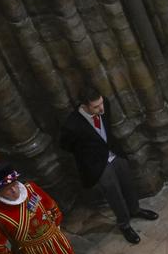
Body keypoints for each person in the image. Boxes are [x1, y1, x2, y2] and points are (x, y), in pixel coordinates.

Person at [59, 90, 159, 245]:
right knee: (114, 195)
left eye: (101, 104)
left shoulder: (103, 103)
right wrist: (88, 154)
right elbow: (66, 145)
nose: (101, 109)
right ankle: (124, 224)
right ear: (84, 106)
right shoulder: (72, 125)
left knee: (128, 184)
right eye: (96, 107)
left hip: (115, 154)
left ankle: (135, 210)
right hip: (98, 164)